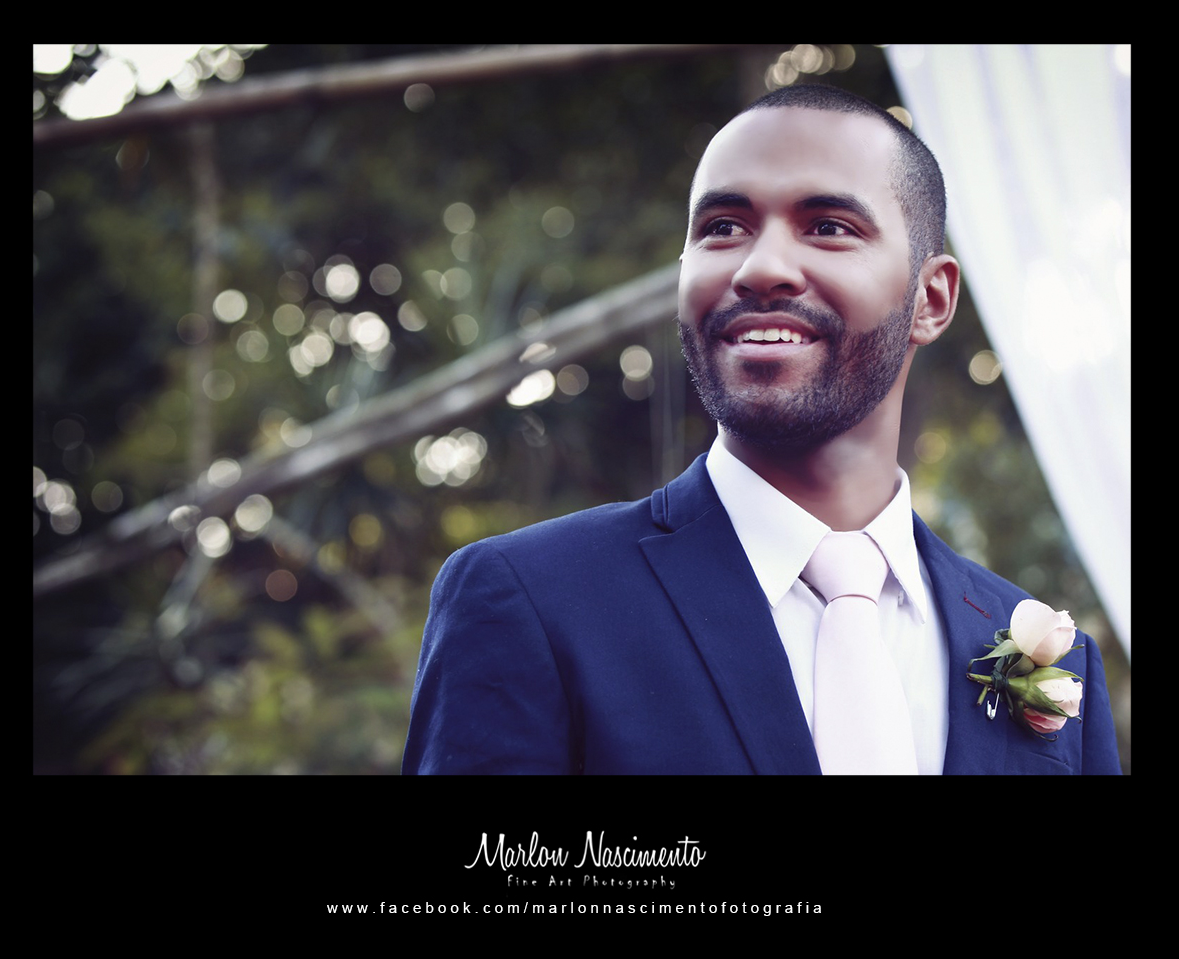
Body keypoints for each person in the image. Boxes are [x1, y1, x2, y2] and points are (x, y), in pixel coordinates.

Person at [402, 84, 1121, 775]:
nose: (761, 266)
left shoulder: (1052, 657)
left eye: (829, 227)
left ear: (930, 300)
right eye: (722, 227)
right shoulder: (529, 598)